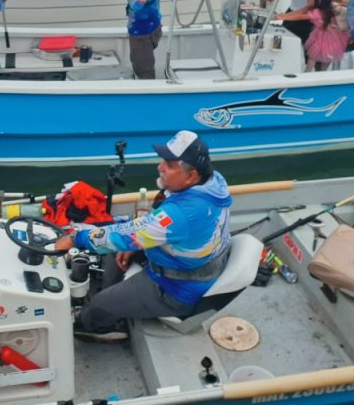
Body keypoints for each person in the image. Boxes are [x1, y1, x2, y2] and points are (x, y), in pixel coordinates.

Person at [54, 130, 232, 342]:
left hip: (176, 288)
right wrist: (136, 246)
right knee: (115, 252)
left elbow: (126, 234)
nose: (160, 167)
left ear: (191, 175)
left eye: (169, 164)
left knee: (100, 304)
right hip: (178, 258)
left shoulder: (182, 214)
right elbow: (140, 232)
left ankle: (99, 326)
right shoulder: (211, 182)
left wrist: (75, 238)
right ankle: (115, 296)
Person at [274, 0, 348, 71]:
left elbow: (300, 17)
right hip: (325, 36)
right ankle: (318, 75)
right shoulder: (319, 8)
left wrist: (283, 18)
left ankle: (309, 74)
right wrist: (283, 15)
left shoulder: (318, 13)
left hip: (327, 39)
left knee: (312, 60)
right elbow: (299, 12)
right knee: (319, 60)